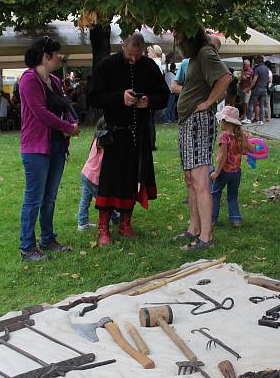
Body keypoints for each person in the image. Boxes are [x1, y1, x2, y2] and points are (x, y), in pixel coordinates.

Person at [89, 32, 169, 246]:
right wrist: (119, 98)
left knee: (135, 178)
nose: (134, 59)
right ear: (123, 46)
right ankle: (103, 228)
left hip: (139, 133)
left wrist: (149, 102)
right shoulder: (107, 65)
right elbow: (94, 97)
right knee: (109, 181)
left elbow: (164, 95)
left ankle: (125, 224)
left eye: (138, 55)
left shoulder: (150, 67)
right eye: (131, 54)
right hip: (115, 134)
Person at [18, 36, 81, 261]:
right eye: (56, 55)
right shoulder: (28, 80)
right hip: (36, 148)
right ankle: (27, 247)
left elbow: (65, 103)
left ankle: (47, 239)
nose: (59, 58)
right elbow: (41, 113)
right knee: (34, 198)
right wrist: (68, 127)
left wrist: (74, 122)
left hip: (56, 146)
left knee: (50, 197)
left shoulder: (53, 80)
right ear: (46, 56)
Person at [175, 28, 232, 250]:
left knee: (200, 179)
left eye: (179, 37)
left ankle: (206, 237)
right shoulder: (195, 57)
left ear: (190, 37)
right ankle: (194, 228)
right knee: (190, 178)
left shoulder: (206, 53)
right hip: (188, 123)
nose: (177, 41)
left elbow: (226, 77)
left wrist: (208, 103)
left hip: (198, 122)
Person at [211, 106, 255, 227]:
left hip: (224, 172)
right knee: (232, 196)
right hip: (236, 173)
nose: (220, 123)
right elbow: (252, 150)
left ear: (225, 122)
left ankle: (212, 219)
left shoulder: (224, 137)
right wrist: (247, 139)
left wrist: (216, 172)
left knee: (215, 194)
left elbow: (222, 157)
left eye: (221, 121)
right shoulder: (240, 137)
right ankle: (235, 219)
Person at [77, 118, 122, 230]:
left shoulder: (96, 140)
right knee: (105, 200)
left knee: (85, 199)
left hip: (86, 174)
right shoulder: (104, 143)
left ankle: (82, 223)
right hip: (93, 177)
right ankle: (115, 218)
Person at [247, 55, 271, 125]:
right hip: (264, 89)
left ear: (257, 61)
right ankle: (261, 120)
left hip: (257, 89)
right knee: (261, 105)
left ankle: (248, 119)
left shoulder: (257, 68)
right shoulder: (266, 69)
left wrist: (249, 88)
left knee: (251, 103)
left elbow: (254, 80)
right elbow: (268, 80)